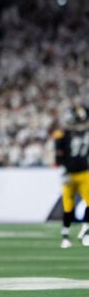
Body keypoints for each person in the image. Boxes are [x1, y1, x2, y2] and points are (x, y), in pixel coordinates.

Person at [54, 104, 89, 248]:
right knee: (68, 206)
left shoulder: (85, 133)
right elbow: (59, 156)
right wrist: (63, 170)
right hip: (70, 174)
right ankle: (65, 234)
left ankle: (86, 231)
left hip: (85, 173)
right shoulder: (62, 134)